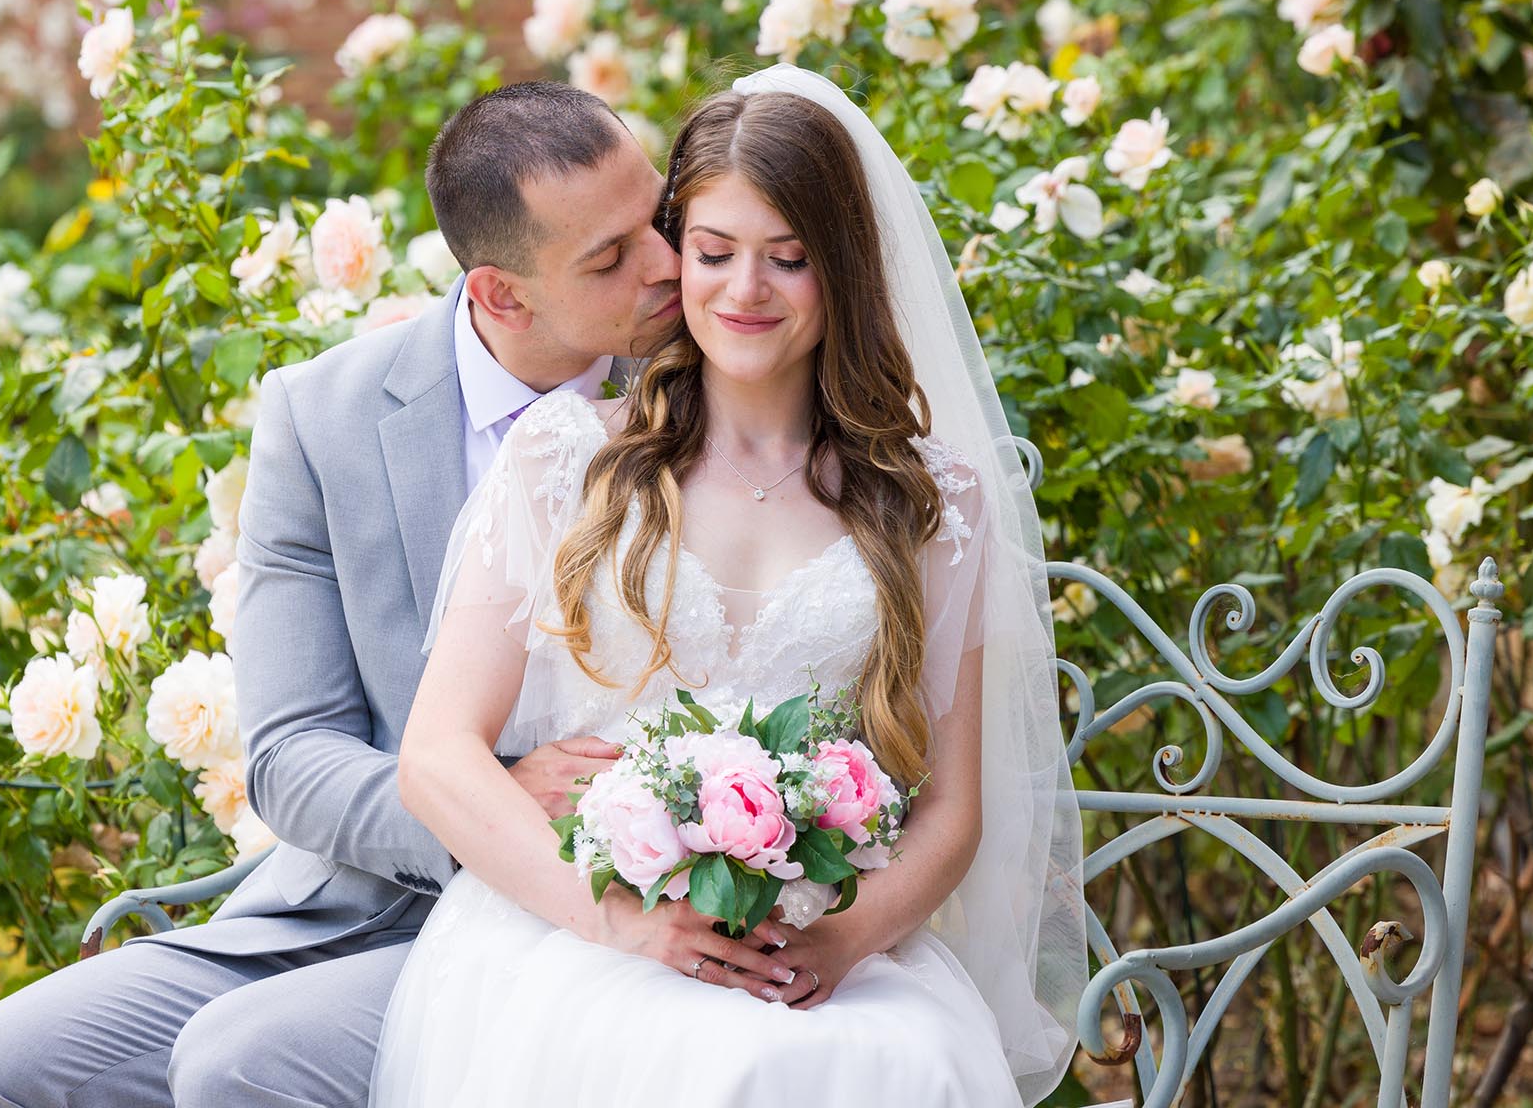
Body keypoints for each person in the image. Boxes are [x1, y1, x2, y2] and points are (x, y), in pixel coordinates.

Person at [0, 82, 701, 1107]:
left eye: (662, 217)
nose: (669, 264)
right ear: (498, 293)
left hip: (604, 905)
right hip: (344, 909)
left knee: (242, 1061)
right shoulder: (322, 415)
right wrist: (491, 798)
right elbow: (290, 755)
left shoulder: (707, 379)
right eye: (610, 256)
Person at [372, 65, 1088, 1107]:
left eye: (789, 259)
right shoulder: (567, 461)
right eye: (712, 253)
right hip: (589, 943)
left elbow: (951, 813)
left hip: (825, 949)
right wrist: (622, 916)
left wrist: (840, 939)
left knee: (888, 1065)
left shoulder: (934, 499)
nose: (744, 290)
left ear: (841, 268)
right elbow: (437, 756)